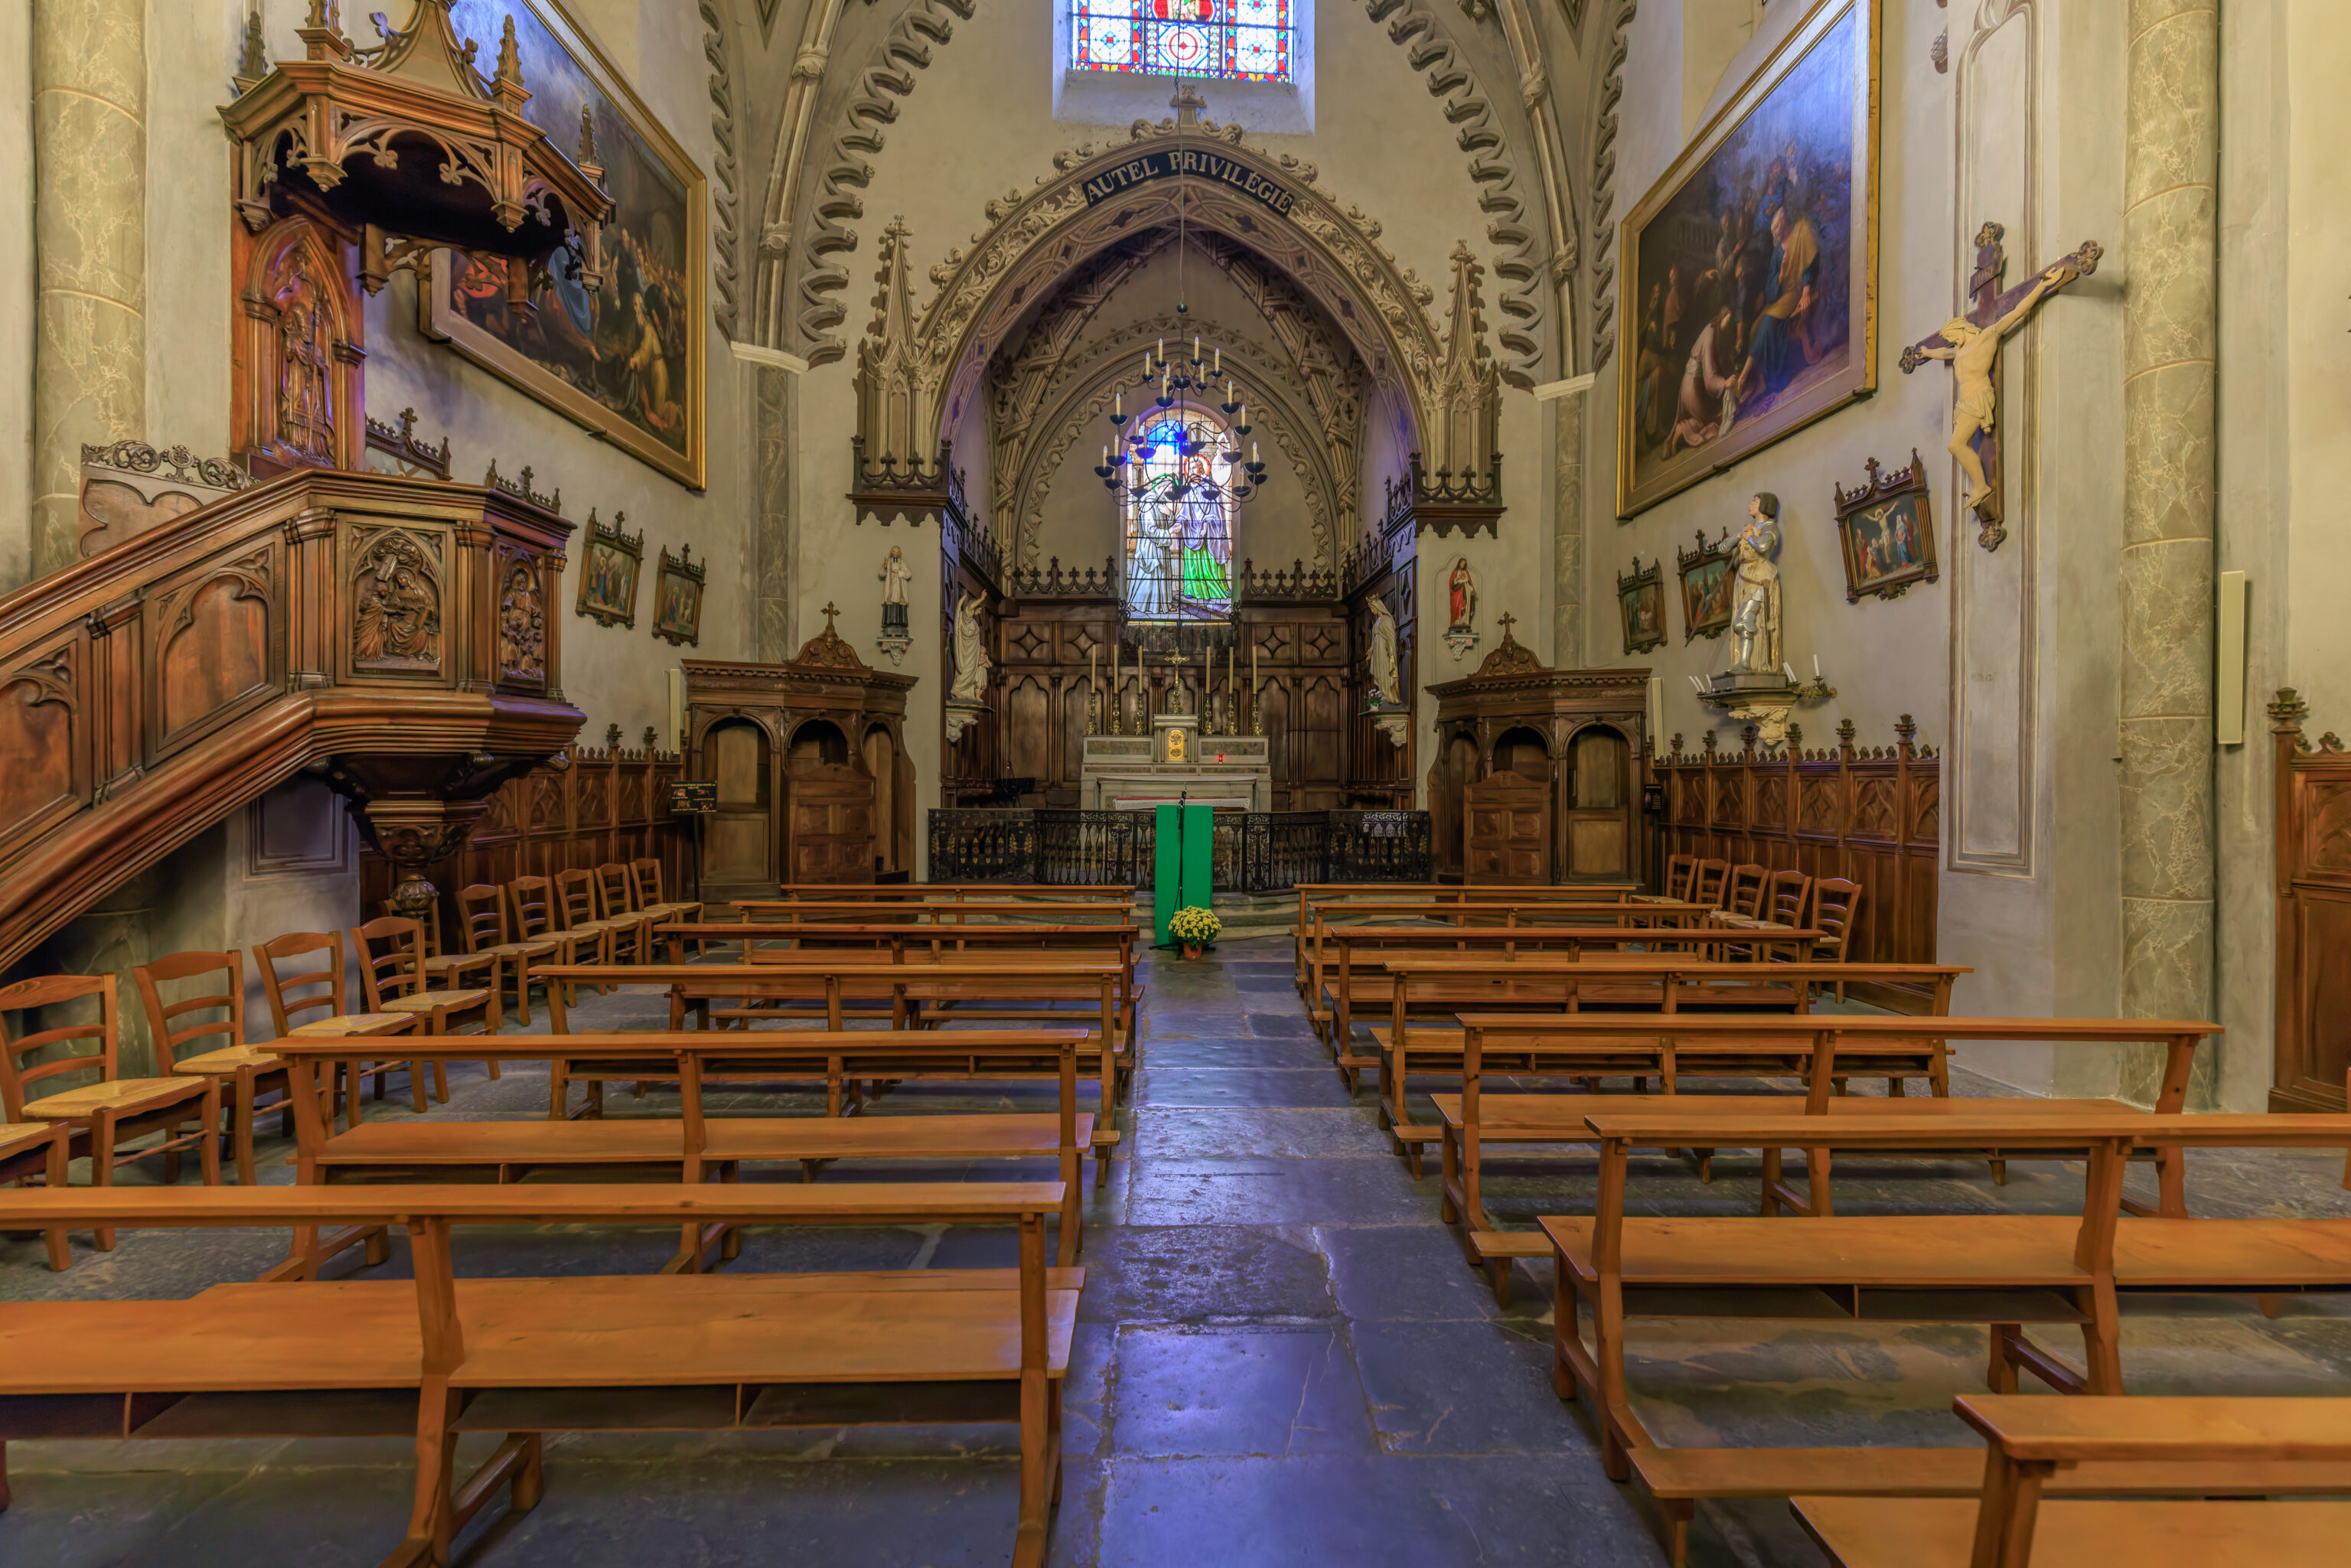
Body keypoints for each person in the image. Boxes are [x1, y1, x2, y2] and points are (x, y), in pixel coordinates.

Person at [1728, 493, 1782, 676]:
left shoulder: (1770, 527)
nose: (1750, 504)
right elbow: (1723, 548)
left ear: (1764, 505)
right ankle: (1744, 663)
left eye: (1755, 501)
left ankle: (1751, 663)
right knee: (1744, 622)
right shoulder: (1748, 527)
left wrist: (1750, 537)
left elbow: (1763, 547)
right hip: (1743, 579)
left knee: (1742, 622)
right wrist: (1739, 535)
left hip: (1760, 579)